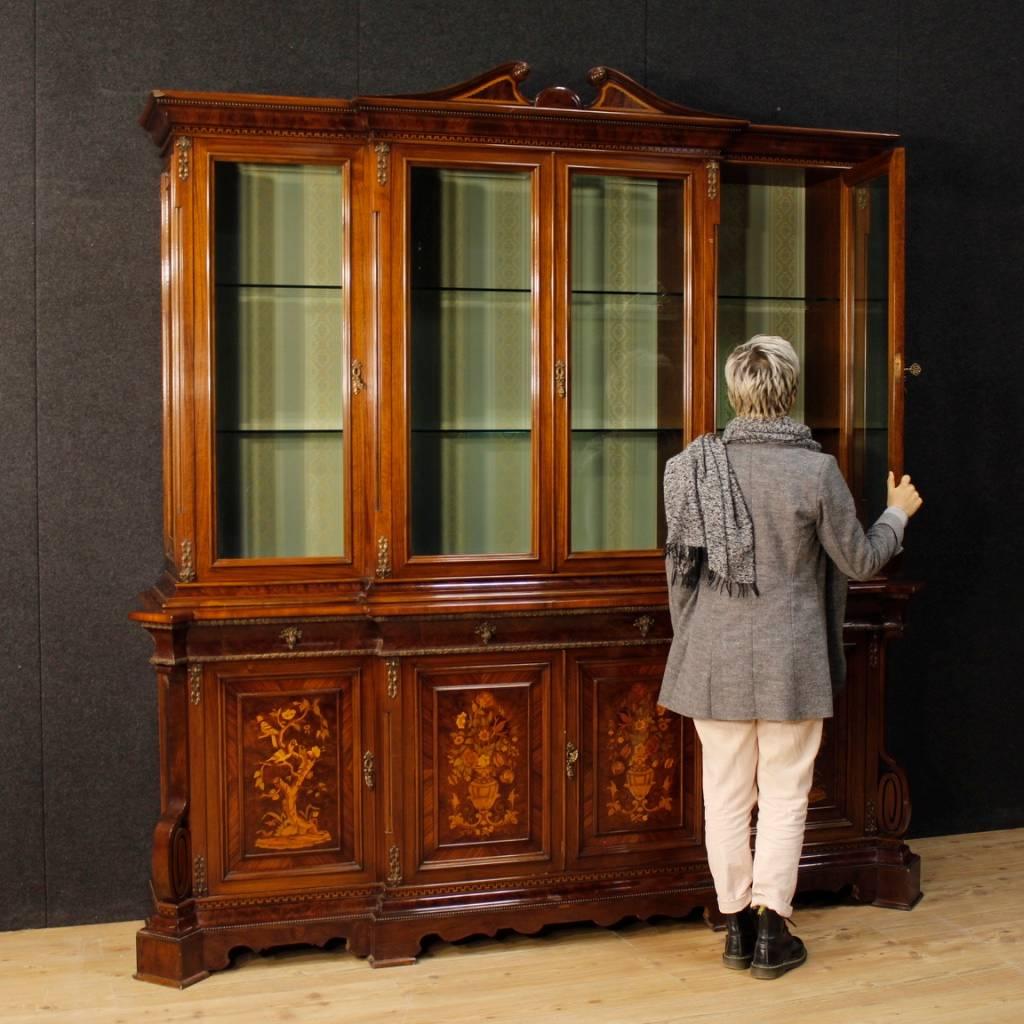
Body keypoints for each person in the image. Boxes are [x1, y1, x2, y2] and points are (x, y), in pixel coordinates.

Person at [658, 335, 922, 980]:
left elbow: (678, 576)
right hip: (791, 658)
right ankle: (774, 931)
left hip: (712, 655)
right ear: (791, 391)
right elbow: (859, 560)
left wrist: (698, 636)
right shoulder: (815, 471)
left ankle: (736, 929)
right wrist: (897, 513)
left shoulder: (692, 465)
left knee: (723, 795)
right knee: (784, 795)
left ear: (734, 393)